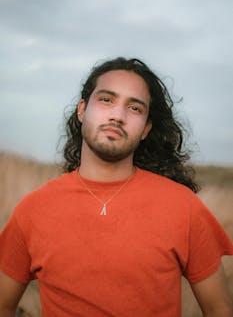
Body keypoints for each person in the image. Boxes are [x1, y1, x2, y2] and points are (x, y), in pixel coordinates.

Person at [0, 57, 232, 317]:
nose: (117, 115)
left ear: (145, 129)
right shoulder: (33, 210)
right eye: (106, 99)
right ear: (81, 110)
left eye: (134, 108)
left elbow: (219, 309)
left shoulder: (183, 206)